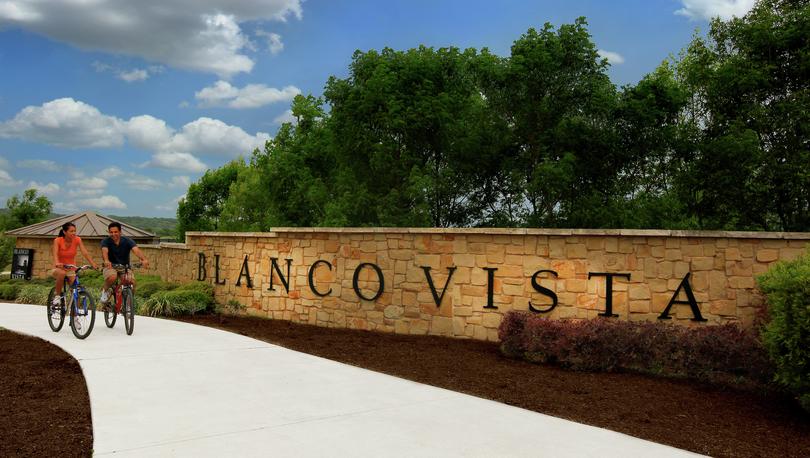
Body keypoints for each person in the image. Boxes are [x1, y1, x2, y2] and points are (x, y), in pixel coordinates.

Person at [100, 222, 150, 305]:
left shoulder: (127, 241)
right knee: (112, 277)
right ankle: (105, 291)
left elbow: (135, 250)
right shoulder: (106, 241)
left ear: (120, 232)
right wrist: (106, 260)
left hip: (124, 267)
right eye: (111, 232)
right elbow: (104, 251)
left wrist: (143, 259)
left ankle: (128, 303)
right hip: (110, 266)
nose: (113, 234)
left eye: (115, 232)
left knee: (132, 282)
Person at [52, 222, 98, 306]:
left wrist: (93, 264)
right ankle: (57, 296)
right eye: (71, 231)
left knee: (75, 291)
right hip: (59, 268)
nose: (74, 233)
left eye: (74, 231)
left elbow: (85, 253)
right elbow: (55, 253)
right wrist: (57, 263)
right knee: (62, 273)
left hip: (71, 268)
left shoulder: (77, 239)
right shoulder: (57, 240)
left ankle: (75, 316)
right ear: (64, 232)